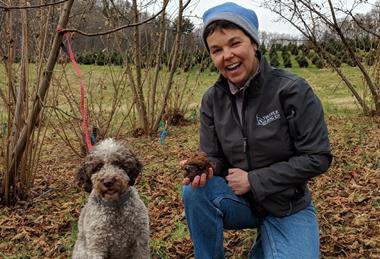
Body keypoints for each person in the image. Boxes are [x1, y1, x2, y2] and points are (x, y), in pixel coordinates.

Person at [181, 2, 332, 259]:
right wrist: (206, 168)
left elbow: (317, 157)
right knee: (195, 192)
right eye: (216, 50)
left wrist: (254, 180)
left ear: (254, 43)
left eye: (234, 43)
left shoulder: (292, 90)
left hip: (287, 205)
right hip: (242, 203)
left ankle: (269, 243)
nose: (226, 55)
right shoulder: (212, 100)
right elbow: (214, 156)